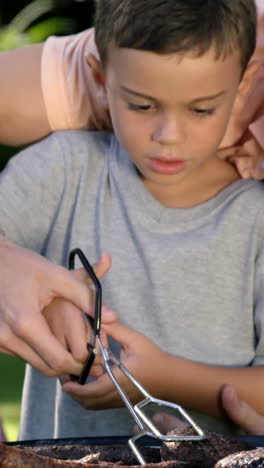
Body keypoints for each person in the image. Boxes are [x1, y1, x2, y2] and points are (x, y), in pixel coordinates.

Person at [0, 0, 263, 441]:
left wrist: (166, 378)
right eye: (142, 105)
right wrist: (36, 289)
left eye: (201, 110)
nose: (168, 135)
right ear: (101, 80)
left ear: (242, 89)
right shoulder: (63, 169)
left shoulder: (256, 219)